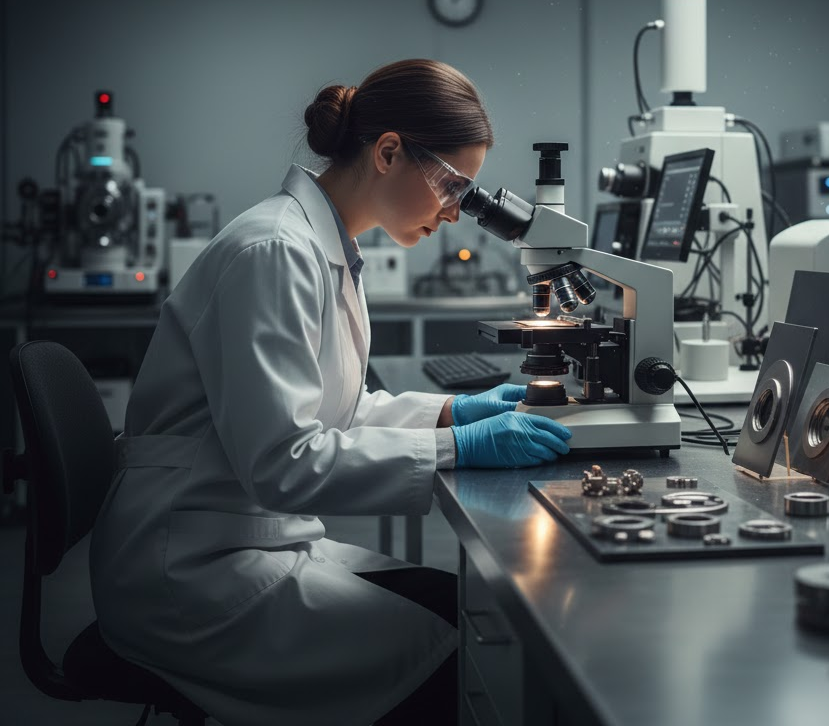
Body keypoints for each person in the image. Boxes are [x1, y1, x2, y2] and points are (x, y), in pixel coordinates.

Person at [89, 59, 572, 726]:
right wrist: (459, 448)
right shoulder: (275, 251)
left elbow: (336, 410)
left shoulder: (324, 248)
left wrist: (452, 411)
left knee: (471, 616)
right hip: (189, 571)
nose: (456, 212)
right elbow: (283, 461)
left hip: (249, 537)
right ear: (388, 152)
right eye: (452, 186)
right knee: (462, 662)